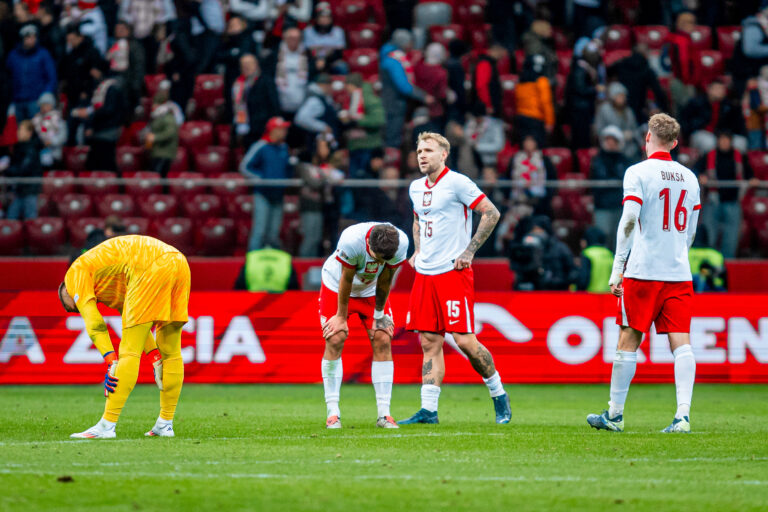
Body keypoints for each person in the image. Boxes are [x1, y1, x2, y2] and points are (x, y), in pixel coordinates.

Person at [587, 113, 701, 434]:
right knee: (682, 344)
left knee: (628, 339)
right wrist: (677, 253)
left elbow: (627, 221)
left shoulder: (637, 172)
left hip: (643, 269)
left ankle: (615, 415)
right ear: (675, 143)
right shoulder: (690, 178)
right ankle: (682, 417)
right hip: (678, 271)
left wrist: (617, 268)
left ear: (647, 139)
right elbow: (690, 232)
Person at [398, 132, 511, 425]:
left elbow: (491, 212)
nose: (422, 155)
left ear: (443, 154)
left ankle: (498, 393)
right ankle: (428, 411)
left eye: (428, 150)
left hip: (452, 273)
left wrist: (470, 251)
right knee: (428, 340)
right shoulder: (415, 187)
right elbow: (417, 219)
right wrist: (418, 250)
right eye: (419, 150)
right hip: (425, 273)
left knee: (464, 341)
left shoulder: (458, 182)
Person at [59, 235, 190, 439]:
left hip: (147, 265)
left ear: (65, 291)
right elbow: (138, 322)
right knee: (170, 349)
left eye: (73, 307)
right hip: (178, 261)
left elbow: (95, 324)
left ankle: (107, 426)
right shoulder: (109, 281)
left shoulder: (73, 275)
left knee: (129, 351)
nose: (77, 309)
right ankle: (165, 424)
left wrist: (110, 360)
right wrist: (154, 356)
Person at [319, 222, 409, 429]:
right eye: (375, 256)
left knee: (383, 338)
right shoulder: (351, 240)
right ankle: (333, 413)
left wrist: (379, 314)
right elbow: (346, 279)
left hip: (371, 290)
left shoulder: (401, 243)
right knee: (335, 337)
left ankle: (384, 415)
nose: (378, 262)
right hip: (336, 285)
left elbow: (386, 279)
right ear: (367, 242)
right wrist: (341, 316)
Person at [694, 131, 757, 259]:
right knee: (709, 234)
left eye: (726, 140)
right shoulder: (709, 155)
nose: (724, 142)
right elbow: (696, 170)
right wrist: (701, 176)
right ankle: (709, 261)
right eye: (721, 139)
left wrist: (751, 179)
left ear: (730, 141)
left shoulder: (740, 156)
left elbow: (750, 173)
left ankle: (727, 263)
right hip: (713, 201)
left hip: (733, 201)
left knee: (731, 237)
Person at [240, 116, 292, 251]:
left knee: (274, 233)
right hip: (262, 194)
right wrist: (262, 179)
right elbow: (245, 166)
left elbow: (287, 168)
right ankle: (251, 264)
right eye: (282, 129)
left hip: (278, 195)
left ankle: (271, 264)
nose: (285, 132)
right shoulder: (261, 146)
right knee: (260, 230)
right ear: (273, 130)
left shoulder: (284, 147)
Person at [590, 125, 633, 250]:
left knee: (620, 237)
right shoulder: (597, 160)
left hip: (620, 205)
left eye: (613, 140)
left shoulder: (625, 161)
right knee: (604, 235)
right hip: (603, 206)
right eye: (608, 140)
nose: (610, 143)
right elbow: (599, 178)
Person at [5, 24, 57, 121]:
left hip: (36, 100)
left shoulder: (43, 54)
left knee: (37, 129)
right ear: (22, 38)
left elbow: (51, 77)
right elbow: (8, 76)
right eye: (28, 37)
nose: (32, 39)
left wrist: (46, 94)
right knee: (20, 132)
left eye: (34, 37)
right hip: (17, 100)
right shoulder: (13, 55)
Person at [2, 120, 42, 220]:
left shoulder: (31, 148)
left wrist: (6, 169)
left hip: (30, 189)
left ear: (29, 133)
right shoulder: (19, 147)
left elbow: (23, 169)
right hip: (18, 189)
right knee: (11, 217)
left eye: (21, 129)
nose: (18, 132)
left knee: (30, 219)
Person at [233, 246, 300, 292]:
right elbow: (294, 288)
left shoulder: (252, 257)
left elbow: (239, 287)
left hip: (253, 300)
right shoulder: (284, 258)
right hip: (280, 300)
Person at [32, 92, 67, 169]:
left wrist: (51, 141)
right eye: (43, 105)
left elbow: (63, 136)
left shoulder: (58, 118)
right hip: (39, 153)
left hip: (54, 153)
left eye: (47, 105)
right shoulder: (37, 119)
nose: (45, 107)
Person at [577, 226, 613, 293]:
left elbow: (583, 279)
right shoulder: (609, 254)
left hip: (592, 295)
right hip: (609, 295)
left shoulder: (588, 254)